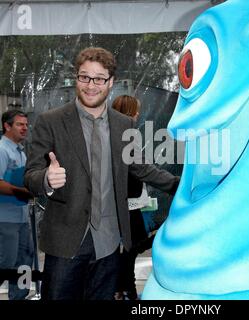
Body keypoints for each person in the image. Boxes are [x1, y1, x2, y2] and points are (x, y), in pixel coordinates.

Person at [24, 47, 179, 300]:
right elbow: (31, 175)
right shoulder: (50, 121)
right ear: (76, 78)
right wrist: (46, 180)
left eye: (99, 78)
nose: (90, 85)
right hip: (66, 243)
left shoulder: (124, 124)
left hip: (108, 244)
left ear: (111, 82)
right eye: (84, 77)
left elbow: (141, 167)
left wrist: (179, 186)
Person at [112, 95, 154, 300]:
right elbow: (141, 169)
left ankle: (123, 289)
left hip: (129, 204)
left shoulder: (121, 135)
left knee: (131, 249)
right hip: (125, 206)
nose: (138, 114)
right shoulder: (126, 138)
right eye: (135, 110)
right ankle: (125, 290)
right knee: (129, 251)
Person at [0, 110, 34, 300]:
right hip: (5, 220)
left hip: (21, 219)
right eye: (20, 124)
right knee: (6, 263)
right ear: (7, 126)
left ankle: (19, 297)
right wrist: (24, 192)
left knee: (24, 262)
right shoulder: (2, 150)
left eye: (26, 125)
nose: (25, 128)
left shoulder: (20, 152)